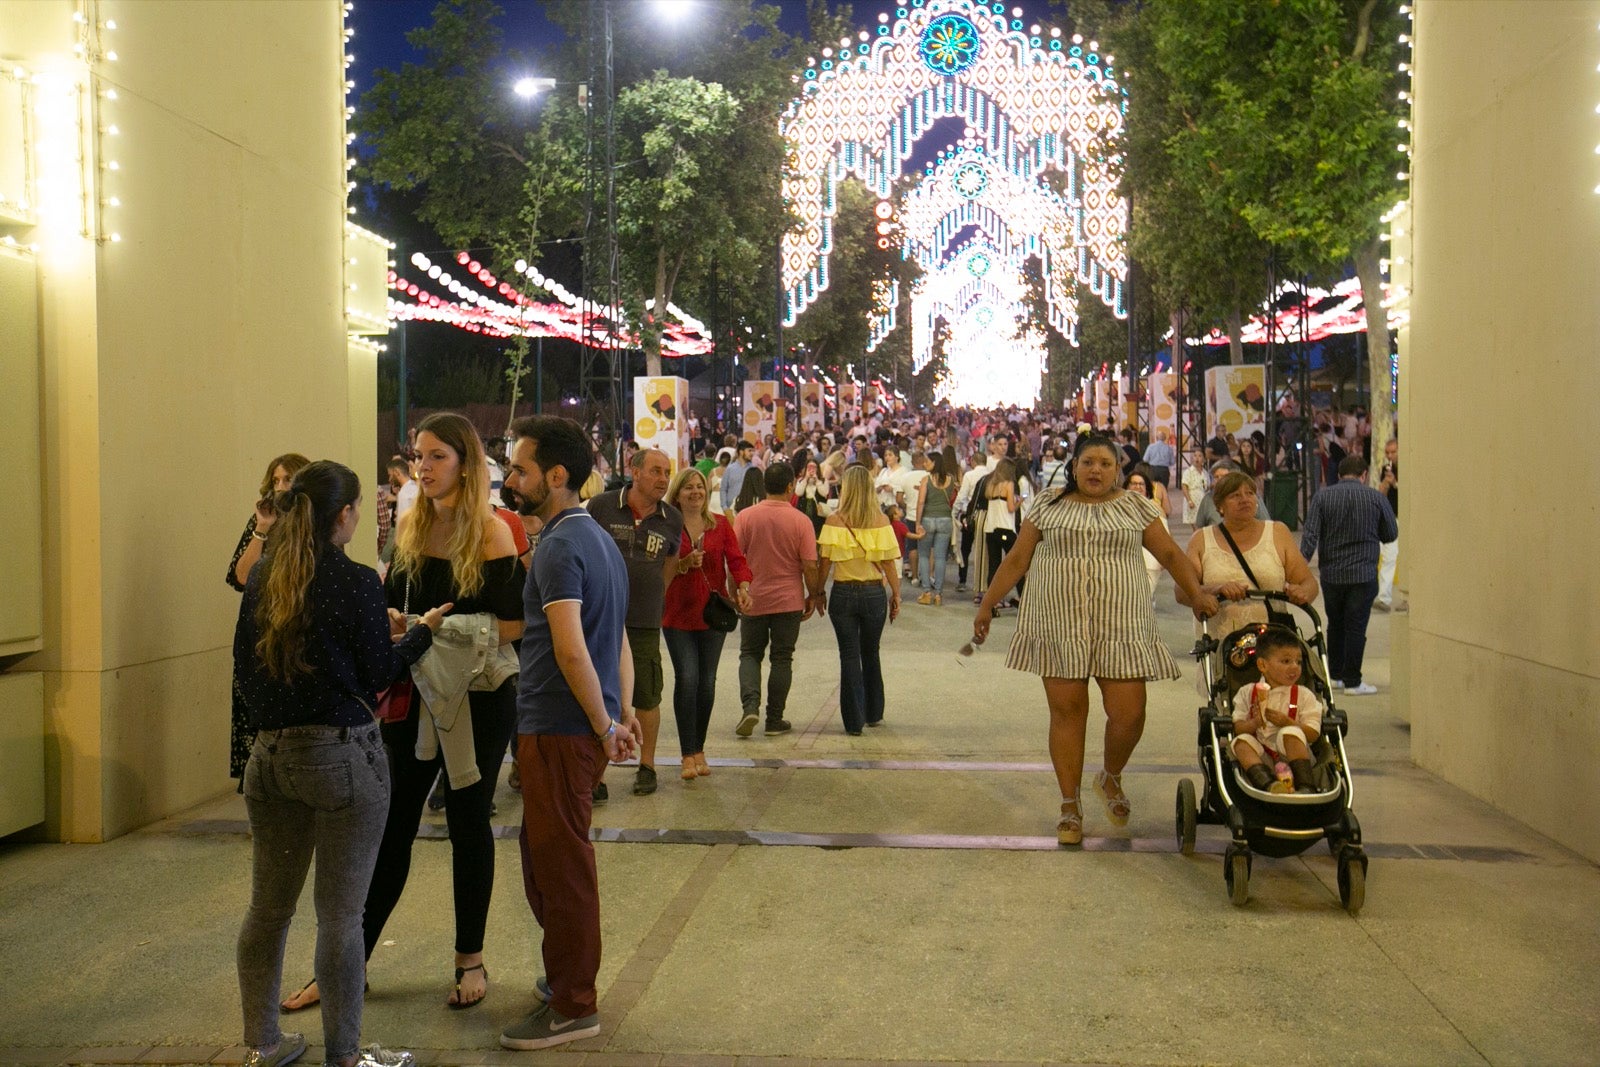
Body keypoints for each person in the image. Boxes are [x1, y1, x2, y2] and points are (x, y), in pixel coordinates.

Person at [274, 415, 526, 1018]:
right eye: (419, 456)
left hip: (479, 697)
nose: (424, 467)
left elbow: (516, 625)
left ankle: (471, 957)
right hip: (414, 690)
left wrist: (435, 630)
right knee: (392, 823)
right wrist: (400, 624)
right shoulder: (411, 525)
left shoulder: (492, 533)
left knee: (469, 820)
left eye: (437, 456)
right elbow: (399, 605)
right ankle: (347, 965)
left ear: (466, 463)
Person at [234, 459, 450, 1067]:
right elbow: (379, 673)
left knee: (267, 910)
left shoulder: (266, 576)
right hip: (341, 758)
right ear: (347, 514)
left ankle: (263, 1045)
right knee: (341, 917)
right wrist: (420, 633)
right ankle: (347, 1057)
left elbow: (244, 673)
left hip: (270, 759)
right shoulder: (354, 580)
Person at [973, 433, 1218, 845]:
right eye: (1088, 462)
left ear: (1118, 470)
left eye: (1106, 463)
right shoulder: (1048, 504)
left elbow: (1171, 555)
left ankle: (1110, 775)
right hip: (1058, 622)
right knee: (1068, 713)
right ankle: (1069, 805)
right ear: (1074, 466)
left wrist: (1196, 595)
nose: (1096, 470)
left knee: (1129, 714)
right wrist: (987, 607)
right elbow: (1017, 557)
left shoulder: (1136, 506)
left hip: (1122, 624)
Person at [498, 415, 640, 1051]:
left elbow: (571, 647)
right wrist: (622, 713)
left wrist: (608, 722)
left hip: (559, 728)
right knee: (546, 859)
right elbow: (621, 642)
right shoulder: (600, 540)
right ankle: (565, 977)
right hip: (573, 726)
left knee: (561, 867)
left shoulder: (557, 546)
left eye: (522, 470)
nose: (512, 480)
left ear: (557, 476)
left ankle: (574, 1004)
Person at [585, 447, 682, 795]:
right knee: (599, 690)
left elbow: (670, 565)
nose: (663, 479)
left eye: (667, 472)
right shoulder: (602, 506)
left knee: (647, 693)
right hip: (602, 617)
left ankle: (648, 765)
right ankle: (597, 776)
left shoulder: (672, 518)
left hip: (644, 620)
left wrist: (652, 593)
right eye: (656, 470)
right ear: (635, 471)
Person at [226, 452, 311, 788]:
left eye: (287, 479)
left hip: (297, 632)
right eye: (275, 480)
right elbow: (241, 578)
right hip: (260, 632)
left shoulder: (314, 522)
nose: (279, 487)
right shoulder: (264, 519)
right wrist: (262, 529)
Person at [661, 468, 753, 779]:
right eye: (687, 488)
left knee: (707, 683)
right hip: (676, 614)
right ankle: (687, 753)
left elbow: (737, 560)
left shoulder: (721, 524)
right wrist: (683, 564)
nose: (695, 492)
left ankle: (699, 747)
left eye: (699, 486)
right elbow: (659, 568)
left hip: (713, 614)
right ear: (677, 494)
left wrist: (743, 587)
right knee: (687, 678)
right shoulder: (667, 526)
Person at [734, 461, 823, 738]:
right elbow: (809, 565)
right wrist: (814, 594)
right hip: (788, 601)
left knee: (750, 653)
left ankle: (750, 707)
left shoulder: (745, 517)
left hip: (753, 599)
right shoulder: (801, 521)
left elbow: (735, 561)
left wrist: (736, 592)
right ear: (789, 487)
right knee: (782, 658)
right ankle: (774, 720)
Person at [1300, 455, 1398, 696]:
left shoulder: (1322, 497)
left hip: (1332, 573)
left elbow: (1310, 536)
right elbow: (1390, 534)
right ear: (1364, 474)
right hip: (1363, 574)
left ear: (1339, 474)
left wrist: (1299, 568)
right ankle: (1353, 681)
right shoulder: (1376, 497)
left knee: (1335, 624)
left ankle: (1335, 676)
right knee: (1356, 627)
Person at [1180, 471, 1319, 637]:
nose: (1244, 499)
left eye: (1250, 493)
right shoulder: (1201, 539)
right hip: (1220, 643)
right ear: (1220, 506)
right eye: (1235, 495)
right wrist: (1217, 589)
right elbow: (1181, 592)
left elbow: (1309, 583)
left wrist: (1302, 593)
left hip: (1271, 642)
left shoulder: (1277, 532)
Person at [817, 465, 901, 734]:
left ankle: (853, 721)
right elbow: (888, 563)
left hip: (843, 593)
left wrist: (817, 592)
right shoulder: (882, 521)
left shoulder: (834, 521)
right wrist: (896, 595)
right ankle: (874, 712)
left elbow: (825, 562)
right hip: (874, 593)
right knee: (871, 652)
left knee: (849, 655)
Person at [1232, 629, 1324, 794]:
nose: (1294, 667)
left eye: (1299, 662)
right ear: (1262, 665)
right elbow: (1237, 728)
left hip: (1295, 757)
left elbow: (1313, 734)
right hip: (1262, 758)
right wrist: (1254, 723)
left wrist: (1287, 722)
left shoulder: (1303, 695)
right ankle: (1268, 784)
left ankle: (1306, 786)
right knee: (1241, 742)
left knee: (1289, 732)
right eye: (1286, 661)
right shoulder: (1247, 692)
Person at [913, 451, 957, 605]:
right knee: (940, 557)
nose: (925, 464)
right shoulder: (951, 480)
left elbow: (921, 503)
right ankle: (938, 594)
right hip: (945, 520)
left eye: (927, 462)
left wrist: (917, 523)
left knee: (924, 555)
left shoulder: (926, 480)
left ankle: (926, 592)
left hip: (928, 520)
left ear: (934, 463)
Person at [982, 458, 1025, 605]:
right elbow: (1011, 508)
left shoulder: (990, 485)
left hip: (990, 529)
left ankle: (992, 601)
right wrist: (1020, 501)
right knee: (1016, 564)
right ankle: (1023, 597)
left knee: (993, 565)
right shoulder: (1009, 484)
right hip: (1005, 527)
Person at [1124, 469, 1166, 598]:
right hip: (1126, 563)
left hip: (1149, 562)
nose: (1138, 487)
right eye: (1134, 483)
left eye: (1141, 484)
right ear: (1127, 487)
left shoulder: (1155, 508)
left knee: (1143, 599)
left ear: (1147, 489)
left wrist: (1164, 559)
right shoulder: (1119, 507)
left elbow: (1166, 536)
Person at [1376, 437, 1400, 611]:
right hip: (1390, 517)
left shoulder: (1407, 467)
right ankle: (1384, 597)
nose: (1390, 456)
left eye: (1393, 452)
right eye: (1387, 452)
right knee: (1388, 555)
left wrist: (1396, 483)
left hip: (1404, 515)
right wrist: (1386, 482)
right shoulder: (1386, 469)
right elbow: (1381, 494)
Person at [795, 459, 831, 535]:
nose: (811, 470)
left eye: (814, 467)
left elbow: (824, 493)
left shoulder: (823, 480)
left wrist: (817, 480)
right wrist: (806, 479)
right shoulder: (801, 480)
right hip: (804, 508)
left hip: (818, 511)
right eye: (809, 467)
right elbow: (798, 493)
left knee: (817, 531)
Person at [720, 439, 756, 511]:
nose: (752, 453)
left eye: (753, 451)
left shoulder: (754, 470)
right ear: (741, 452)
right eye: (749, 451)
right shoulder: (730, 469)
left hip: (748, 509)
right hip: (731, 510)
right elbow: (723, 489)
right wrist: (724, 507)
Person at [1180, 451, 1208, 525]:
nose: (1197, 458)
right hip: (1193, 499)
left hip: (1202, 500)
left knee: (1203, 523)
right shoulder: (1188, 472)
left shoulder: (1205, 473)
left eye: (1199, 456)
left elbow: (1206, 487)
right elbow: (1184, 486)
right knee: (1195, 523)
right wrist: (1189, 500)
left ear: (1203, 459)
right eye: (1195, 456)